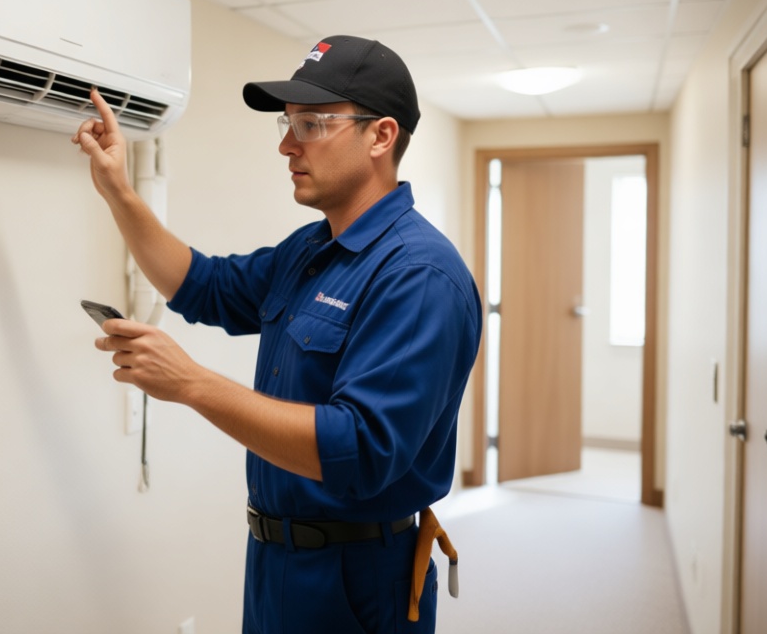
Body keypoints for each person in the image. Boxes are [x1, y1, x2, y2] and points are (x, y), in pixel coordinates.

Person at [72, 35, 482, 634]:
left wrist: (191, 383)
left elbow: (360, 448)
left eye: (312, 124)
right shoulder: (312, 248)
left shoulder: (420, 276)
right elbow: (203, 285)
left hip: (358, 574)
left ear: (381, 136)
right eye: (289, 124)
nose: (287, 144)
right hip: (273, 556)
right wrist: (118, 189)